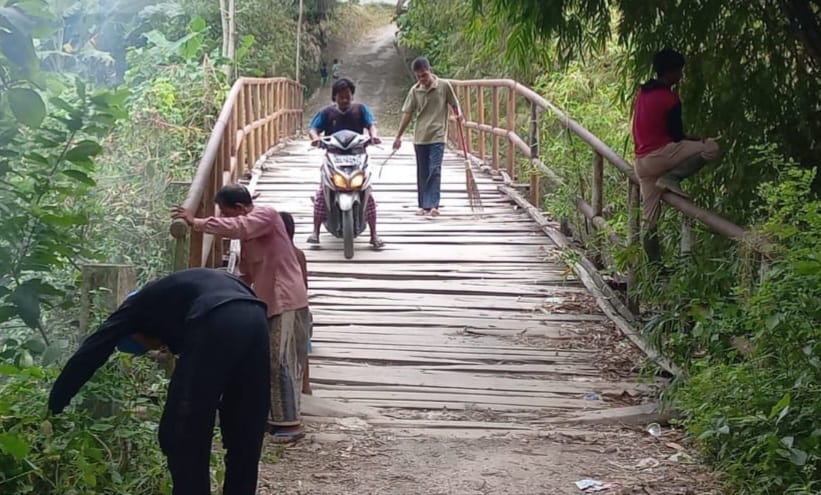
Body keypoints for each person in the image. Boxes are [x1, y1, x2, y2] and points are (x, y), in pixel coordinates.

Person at [48, 268, 270, 495]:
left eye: (145, 346)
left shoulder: (134, 309)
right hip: (258, 318)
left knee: (181, 431)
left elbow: (91, 351)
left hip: (216, 315)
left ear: (136, 330)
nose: (156, 347)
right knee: (246, 427)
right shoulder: (175, 296)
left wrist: (55, 403)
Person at [172, 185, 310, 443]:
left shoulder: (266, 215)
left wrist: (196, 222)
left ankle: (290, 424)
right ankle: (272, 417)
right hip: (267, 300)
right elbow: (246, 273)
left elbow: (240, 227)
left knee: (279, 360)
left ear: (240, 208)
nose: (224, 219)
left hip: (285, 297)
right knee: (264, 358)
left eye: (225, 213)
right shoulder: (248, 239)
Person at [632, 48, 720, 262]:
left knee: (650, 221)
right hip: (661, 156)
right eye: (679, 71)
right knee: (711, 147)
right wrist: (698, 140)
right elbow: (677, 136)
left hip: (641, 162)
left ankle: (655, 269)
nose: (681, 75)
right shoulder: (670, 99)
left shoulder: (643, 93)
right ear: (670, 72)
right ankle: (671, 177)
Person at [307, 77, 385, 248]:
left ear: (352, 96)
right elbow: (313, 128)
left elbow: (371, 124)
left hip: (357, 155)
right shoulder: (327, 113)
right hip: (333, 155)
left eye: (347, 96)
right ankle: (315, 232)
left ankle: (374, 234)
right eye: (341, 97)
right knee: (321, 193)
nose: (344, 100)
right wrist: (315, 138)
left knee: (367, 194)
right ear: (334, 97)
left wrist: (373, 136)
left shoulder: (360, 110)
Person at [393, 56, 462, 217]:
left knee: (435, 169)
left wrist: (459, 114)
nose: (422, 79)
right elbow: (408, 114)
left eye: (424, 75)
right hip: (420, 136)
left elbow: (454, 103)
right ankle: (424, 205)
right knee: (423, 172)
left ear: (430, 71)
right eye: (419, 77)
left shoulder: (444, 85)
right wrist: (398, 136)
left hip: (438, 135)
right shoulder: (415, 91)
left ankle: (433, 205)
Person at [280, 211, 313, 395]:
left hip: (281, 305)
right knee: (302, 344)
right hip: (300, 302)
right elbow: (305, 283)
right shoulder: (299, 254)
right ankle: (306, 384)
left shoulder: (273, 255)